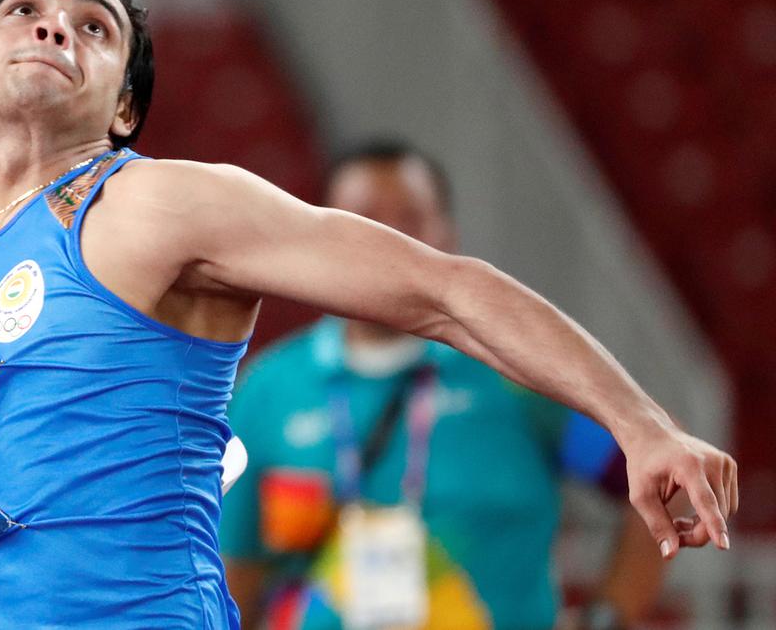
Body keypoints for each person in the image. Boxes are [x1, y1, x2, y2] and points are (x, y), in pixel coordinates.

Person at [0, 0, 736, 630]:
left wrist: (639, 420)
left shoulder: (155, 208)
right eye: (24, 11)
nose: (55, 28)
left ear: (122, 106)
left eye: (95, 26)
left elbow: (443, 290)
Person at [220, 141, 667, 630]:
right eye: (362, 217)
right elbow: (234, 573)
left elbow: (664, 481)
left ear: (447, 237)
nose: (388, 237)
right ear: (319, 238)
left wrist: (609, 616)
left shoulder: (517, 374)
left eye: (411, 218)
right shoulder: (267, 391)